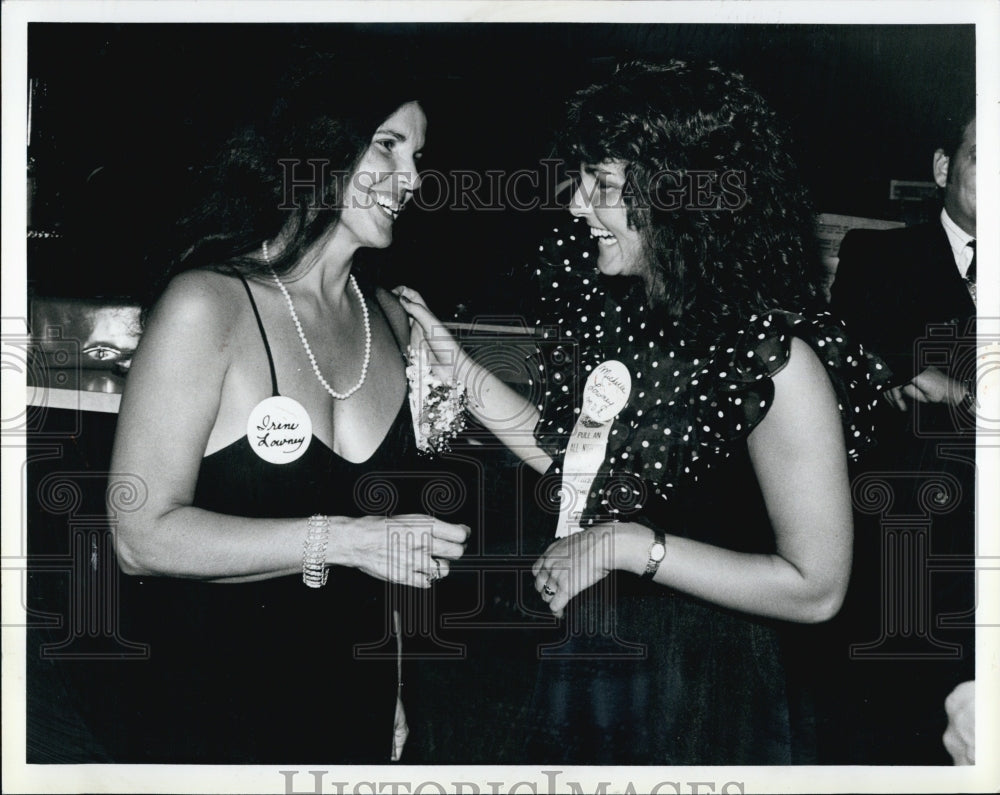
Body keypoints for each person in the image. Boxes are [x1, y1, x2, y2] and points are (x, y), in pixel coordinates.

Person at [395, 59, 888, 764]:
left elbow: (818, 589)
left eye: (600, 183)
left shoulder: (779, 362)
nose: (575, 206)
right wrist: (461, 371)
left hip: (710, 691)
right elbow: (580, 465)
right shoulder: (636, 315)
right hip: (606, 671)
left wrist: (629, 546)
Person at [105, 67, 469, 763]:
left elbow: (389, 546)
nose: (413, 178)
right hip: (208, 710)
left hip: (350, 701)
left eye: (418, 156)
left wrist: (393, 685)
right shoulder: (208, 304)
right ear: (319, 149)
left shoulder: (393, 320)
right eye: (387, 145)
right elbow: (139, 536)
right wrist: (344, 541)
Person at [827, 108, 976, 764]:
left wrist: (950, 390)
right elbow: (855, 353)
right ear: (943, 168)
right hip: (907, 567)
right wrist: (911, 374)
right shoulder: (878, 257)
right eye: (985, 158)